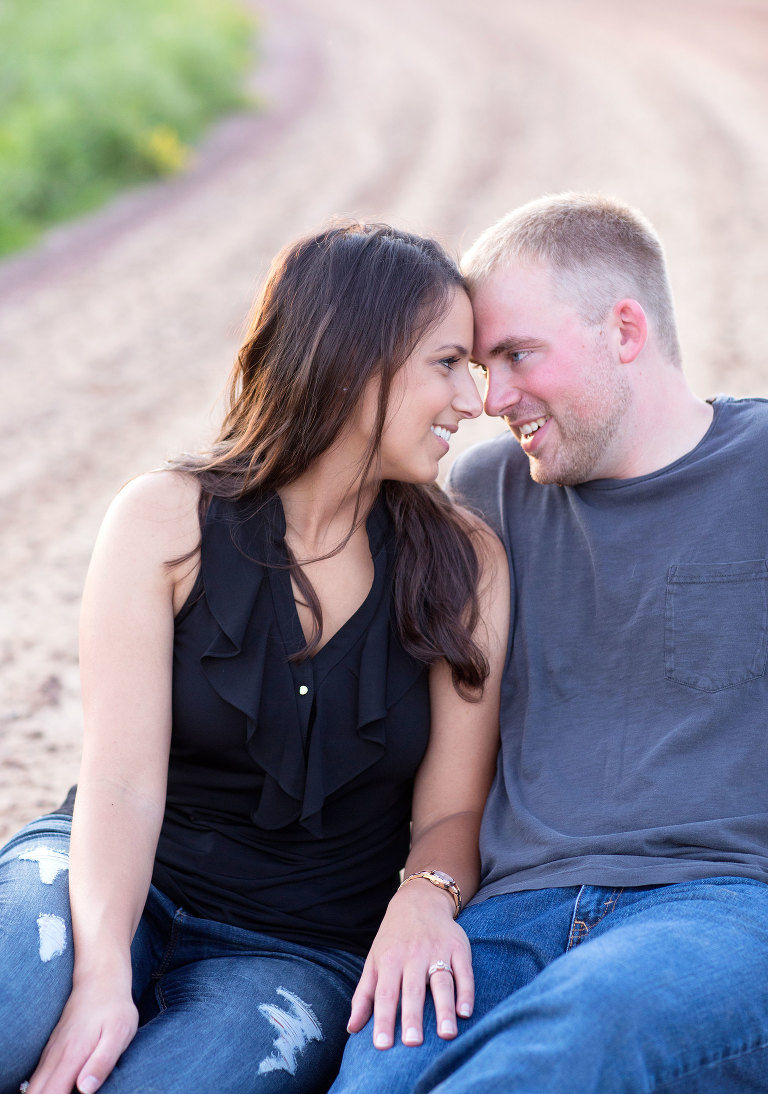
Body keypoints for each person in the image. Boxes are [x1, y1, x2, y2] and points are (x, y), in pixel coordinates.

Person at [0, 222, 509, 1094]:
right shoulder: (164, 522)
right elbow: (121, 782)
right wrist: (99, 978)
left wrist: (424, 895)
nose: (476, 398)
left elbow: (450, 816)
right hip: (106, 878)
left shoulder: (467, 566)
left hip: (295, 950)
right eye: (449, 363)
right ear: (354, 359)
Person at [329, 193, 768, 1094]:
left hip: (719, 907)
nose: (492, 399)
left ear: (626, 329)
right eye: (480, 364)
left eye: (516, 355)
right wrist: (422, 891)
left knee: (572, 1048)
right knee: (379, 1076)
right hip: (508, 915)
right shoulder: (485, 496)